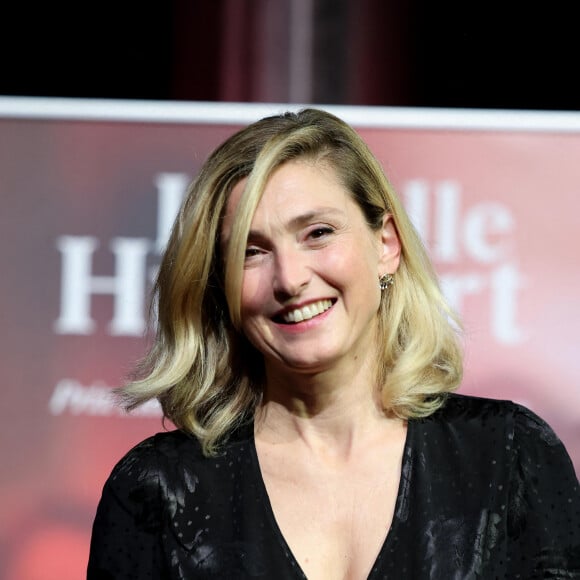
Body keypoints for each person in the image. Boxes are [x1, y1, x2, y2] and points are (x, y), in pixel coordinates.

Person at [87, 108, 580, 579]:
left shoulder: (511, 456)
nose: (290, 278)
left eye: (318, 233)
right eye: (252, 252)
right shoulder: (155, 489)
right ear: (219, 284)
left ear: (386, 244)